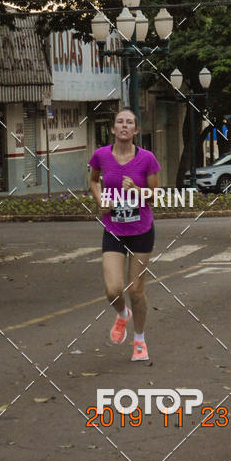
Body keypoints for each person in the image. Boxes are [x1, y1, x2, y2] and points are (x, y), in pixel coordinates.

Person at [89, 108, 160, 361]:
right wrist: (100, 200)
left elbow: (155, 195)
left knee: (136, 291)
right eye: (120, 122)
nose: (124, 126)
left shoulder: (147, 158)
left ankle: (139, 340)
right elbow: (94, 180)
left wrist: (137, 190)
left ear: (136, 130)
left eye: (129, 122)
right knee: (113, 290)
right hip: (114, 229)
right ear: (113, 128)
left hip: (141, 230)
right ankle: (122, 315)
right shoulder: (101, 155)